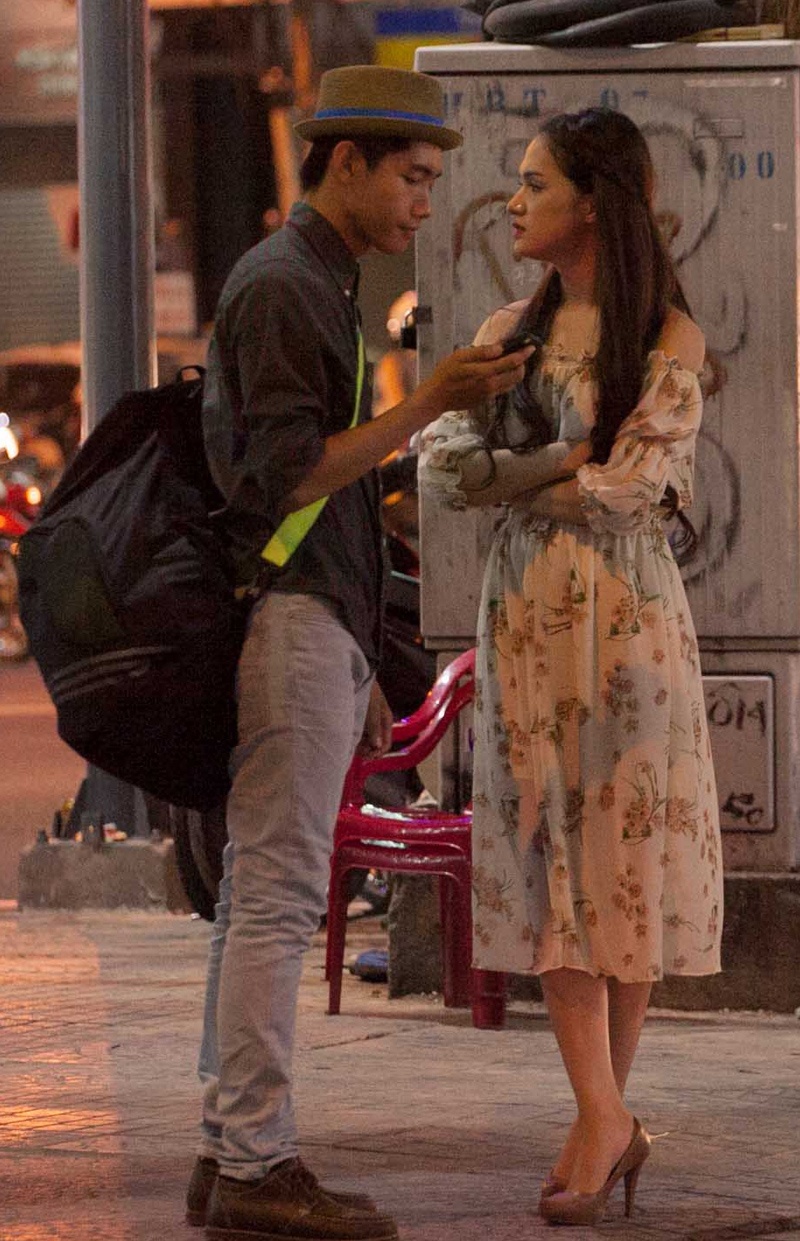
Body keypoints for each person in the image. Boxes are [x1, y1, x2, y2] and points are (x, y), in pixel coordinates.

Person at [187, 65, 532, 1241]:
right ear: (348, 164)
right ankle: (253, 1160)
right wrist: (429, 401)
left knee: (262, 892)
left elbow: (322, 495)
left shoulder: (313, 280)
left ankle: (230, 1149)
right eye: (412, 178)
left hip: (314, 620)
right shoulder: (287, 286)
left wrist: (360, 658)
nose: (425, 204)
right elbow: (289, 476)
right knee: (278, 895)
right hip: (291, 616)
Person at [418, 107, 723, 1226]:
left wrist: (524, 477)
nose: (513, 200)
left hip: (629, 621)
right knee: (547, 848)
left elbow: (631, 489)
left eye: (534, 181)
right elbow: (444, 467)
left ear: (591, 201)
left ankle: (602, 1115)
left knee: (621, 855)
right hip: (528, 616)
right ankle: (604, 1114)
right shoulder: (508, 328)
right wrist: (559, 463)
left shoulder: (667, 335)